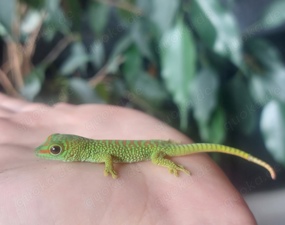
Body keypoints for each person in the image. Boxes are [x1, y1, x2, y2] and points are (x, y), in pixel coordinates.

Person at [0, 93, 256, 224]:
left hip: (156, 150)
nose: (48, 151)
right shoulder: (87, 149)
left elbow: (109, 156)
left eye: (55, 149)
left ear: (72, 148)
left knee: (159, 159)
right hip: (156, 143)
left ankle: (169, 162)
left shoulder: (93, 152)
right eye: (54, 148)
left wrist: (112, 169)